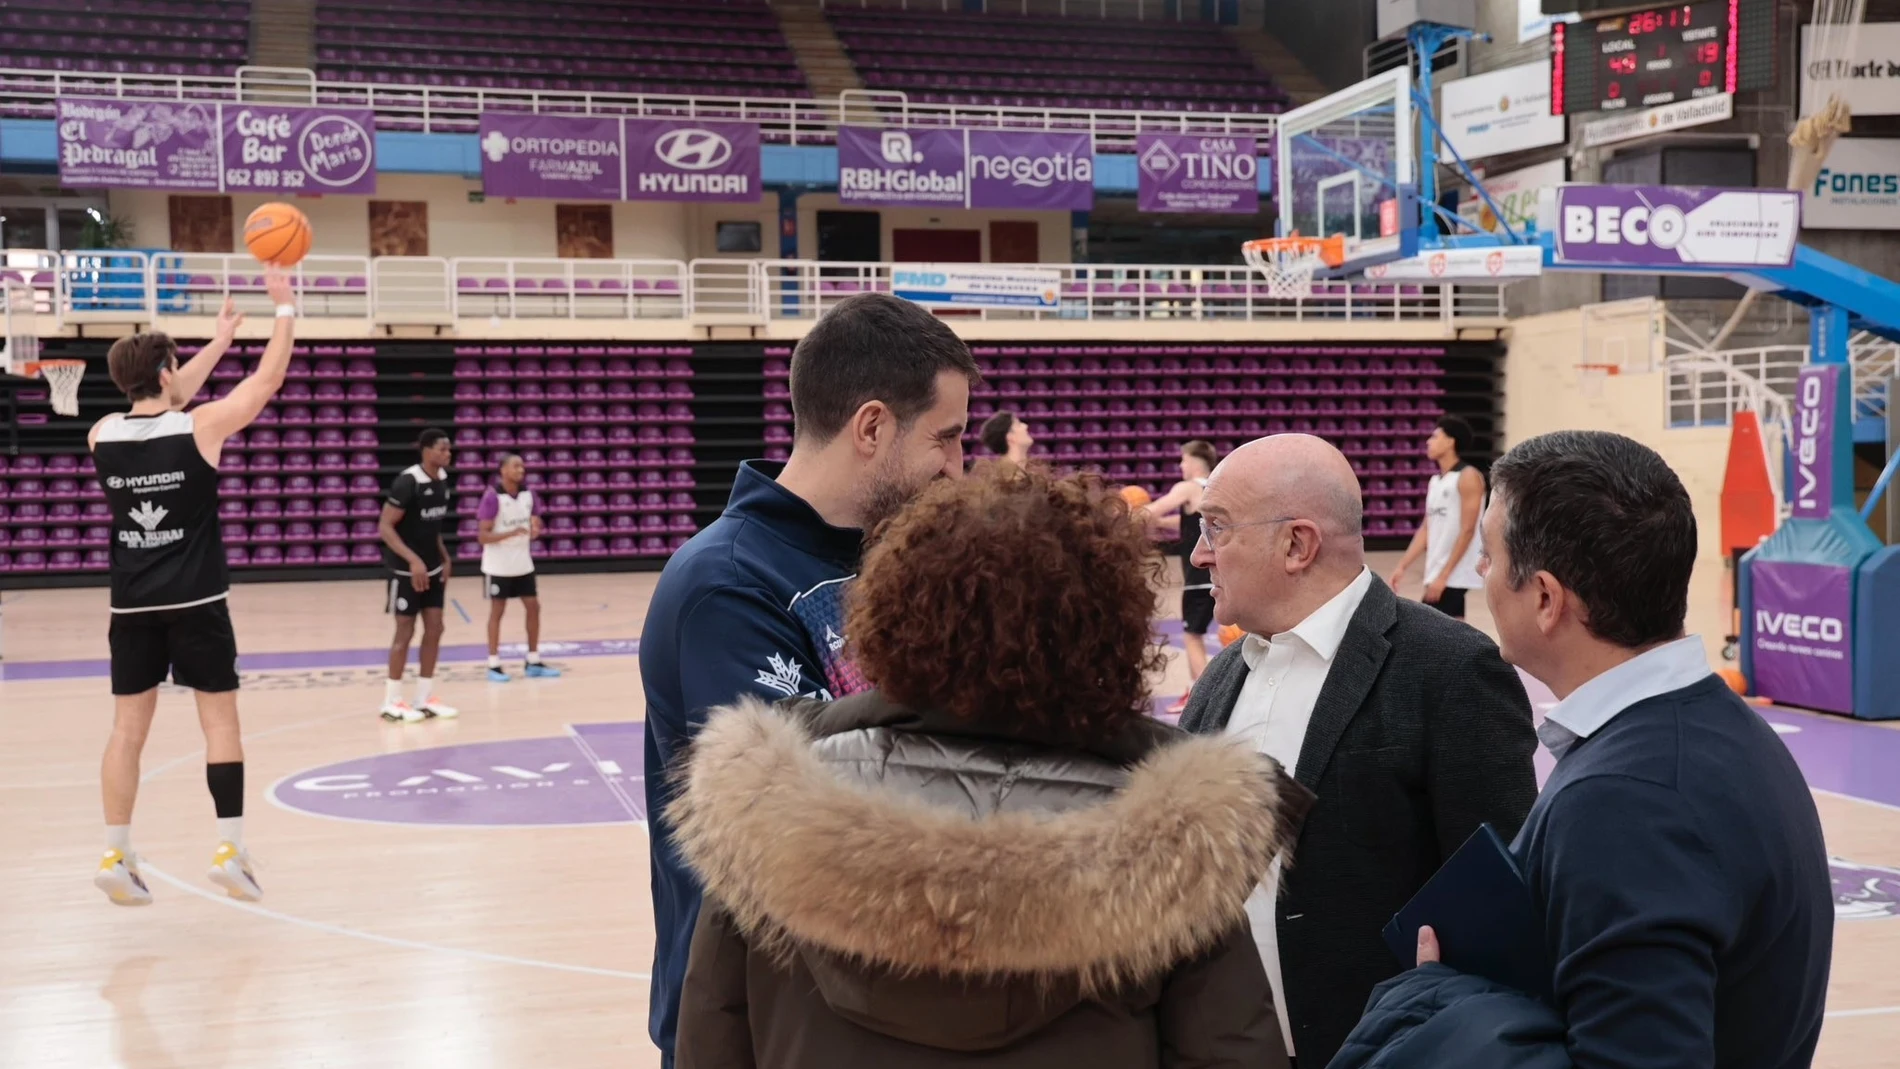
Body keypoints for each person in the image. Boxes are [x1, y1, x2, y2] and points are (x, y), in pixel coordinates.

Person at [670, 464, 1309, 1069]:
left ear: (891, 612)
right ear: (1109, 632)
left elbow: (713, 1039)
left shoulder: (771, 812)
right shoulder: (1176, 848)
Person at [1338, 431, 1833, 1069]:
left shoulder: (1627, 803)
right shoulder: (1716, 730)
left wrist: (1442, 1007)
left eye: (1488, 555)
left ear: (1545, 599)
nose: (1482, 574)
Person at [639, 292, 981, 1068]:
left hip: (873, 1008)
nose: (961, 468)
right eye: (949, 438)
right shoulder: (725, 584)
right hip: (757, 1024)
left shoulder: (896, 560)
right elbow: (796, 815)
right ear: (871, 427)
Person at [1176, 433, 1538, 1069]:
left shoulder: (1450, 670)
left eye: (1216, 528)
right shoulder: (1220, 677)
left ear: (1297, 544)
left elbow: (1497, 915)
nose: (1201, 554)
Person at [90, 275, 296, 906]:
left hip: (132, 605)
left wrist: (218, 339)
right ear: (166, 373)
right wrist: (284, 304)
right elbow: (267, 382)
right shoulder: (202, 428)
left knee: (127, 731)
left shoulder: (101, 434)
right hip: (198, 602)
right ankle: (230, 849)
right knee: (220, 723)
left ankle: (116, 854)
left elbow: (167, 393)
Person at [378, 428, 458, 722]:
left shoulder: (442, 481)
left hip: (432, 567)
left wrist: (445, 557)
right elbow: (385, 527)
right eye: (442, 449)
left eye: (449, 450)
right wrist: (413, 561)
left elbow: (431, 527)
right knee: (405, 630)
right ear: (426, 450)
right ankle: (391, 700)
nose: (447, 454)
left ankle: (424, 697)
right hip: (405, 570)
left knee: (435, 628)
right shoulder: (407, 482)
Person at [1139, 440, 1218, 714]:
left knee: (1192, 636)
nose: (1181, 466)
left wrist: (1125, 511)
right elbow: (1190, 522)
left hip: (1197, 577)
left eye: (1183, 460)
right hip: (1221, 574)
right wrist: (1162, 524)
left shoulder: (1187, 487)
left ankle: (1201, 696)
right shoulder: (1216, 487)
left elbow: (1157, 508)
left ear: (1195, 461)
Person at [1390, 415, 1485, 619]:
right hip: (1439, 571)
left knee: (1424, 626)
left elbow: (1468, 530)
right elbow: (1426, 529)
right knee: (1455, 631)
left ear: (1450, 441)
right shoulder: (1436, 481)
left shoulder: (1468, 476)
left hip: (1454, 574)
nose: (1428, 441)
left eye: (1435, 437)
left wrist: (1444, 576)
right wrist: (1402, 566)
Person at [476, 453, 559, 682]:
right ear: (502, 470)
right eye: (515, 466)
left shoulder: (528, 494)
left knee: (533, 607)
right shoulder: (492, 497)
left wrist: (536, 528)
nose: (521, 470)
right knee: (497, 612)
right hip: (498, 565)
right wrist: (511, 533)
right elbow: (482, 536)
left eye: (522, 466)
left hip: (523, 563)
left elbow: (536, 521)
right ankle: (493, 664)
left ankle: (533, 660)